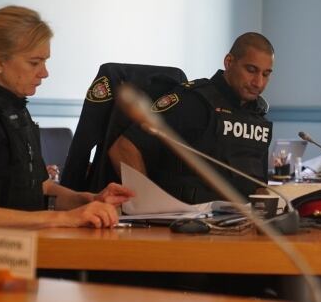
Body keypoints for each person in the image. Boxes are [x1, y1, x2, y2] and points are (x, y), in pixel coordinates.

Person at [0, 6, 134, 242]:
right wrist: (66, 219)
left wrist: (90, 200)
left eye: (44, 61)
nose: (44, 73)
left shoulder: (12, 108)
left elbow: (42, 187)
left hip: (14, 249)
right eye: (34, 63)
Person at [108, 32, 275, 203]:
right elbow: (123, 148)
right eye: (251, 70)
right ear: (229, 62)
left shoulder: (258, 116)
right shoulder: (193, 101)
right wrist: (145, 202)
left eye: (266, 74)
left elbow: (256, 183)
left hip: (240, 222)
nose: (259, 83)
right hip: (184, 222)